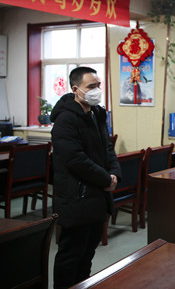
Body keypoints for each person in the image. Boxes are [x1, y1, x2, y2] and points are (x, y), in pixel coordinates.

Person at [51, 66, 121, 289]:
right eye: (91, 86)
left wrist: (114, 174)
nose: (96, 90)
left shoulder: (97, 114)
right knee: (71, 254)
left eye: (98, 85)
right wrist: (106, 180)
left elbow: (107, 149)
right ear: (75, 89)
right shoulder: (65, 119)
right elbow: (75, 159)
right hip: (76, 199)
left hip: (96, 196)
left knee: (88, 253)